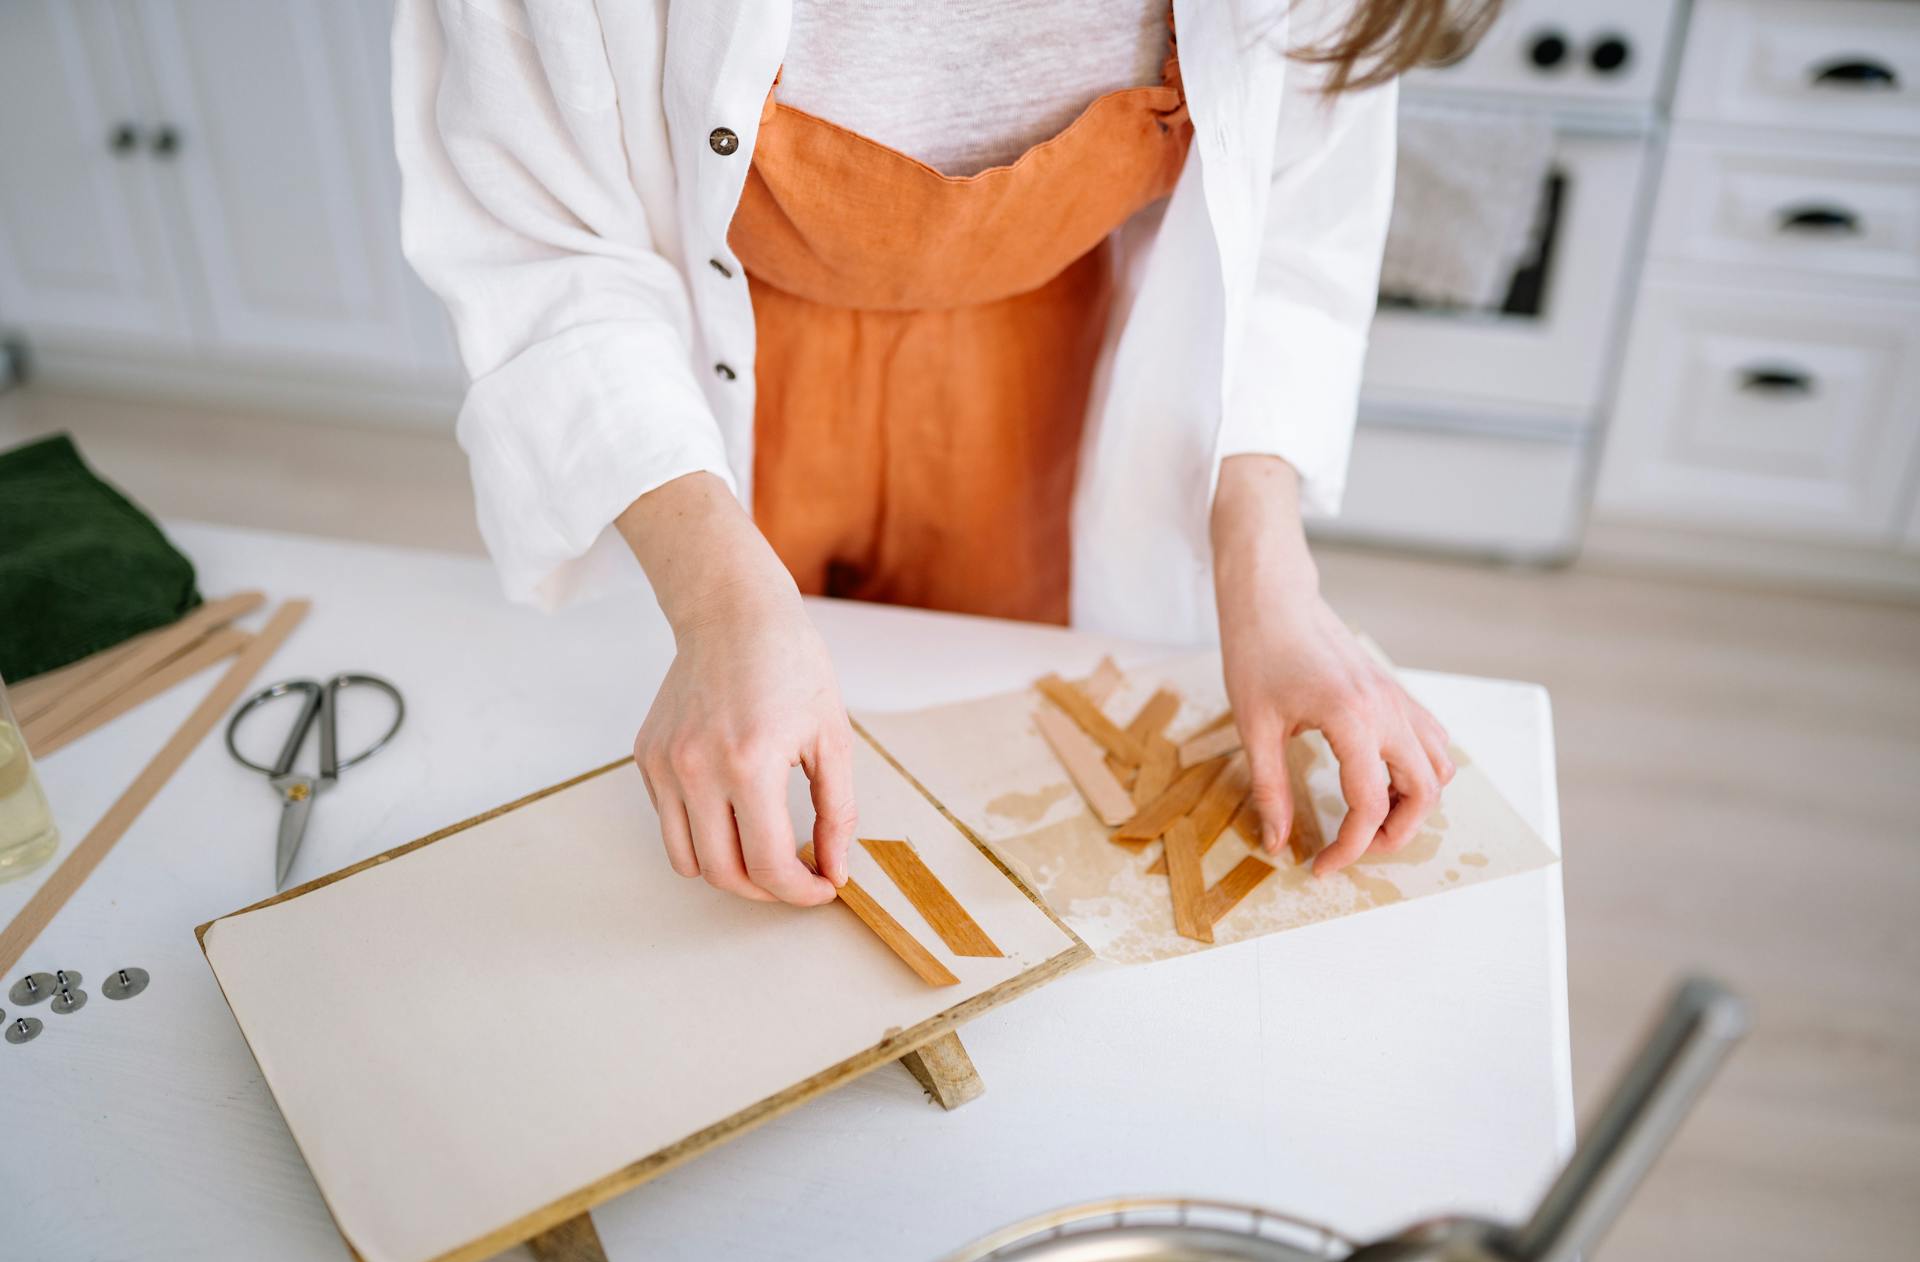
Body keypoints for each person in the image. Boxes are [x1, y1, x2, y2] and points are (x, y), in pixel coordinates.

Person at [394, 0, 1480, 909]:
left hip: (1041, 383)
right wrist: (721, 602)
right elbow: (541, 231)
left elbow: (1292, 216)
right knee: (702, 806)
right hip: (703, 382)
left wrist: (1268, 570)